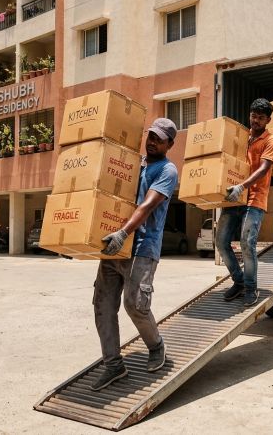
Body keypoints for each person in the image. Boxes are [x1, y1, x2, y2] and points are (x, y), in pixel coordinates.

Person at [90, 118, 180, 391]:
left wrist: (122, 234)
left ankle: (156, 346)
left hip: (141, 247)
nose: (152, 141)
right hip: (114, 247)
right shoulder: (132, 163)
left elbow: (147, 205)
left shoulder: (167, 170)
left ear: (170, 144)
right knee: (102, 305)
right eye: (150, 136)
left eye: (159, 139)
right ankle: (114, 366)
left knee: (135, 304)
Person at [217, 98, 273, 307]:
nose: (256, 121)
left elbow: (263, 169)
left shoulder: (271, 141)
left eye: (261, 118)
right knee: (221, 242)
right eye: (253, 116)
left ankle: (251, 289)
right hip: (235, 197)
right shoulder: (241, 136)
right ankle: (239, 280)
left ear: (268, 120)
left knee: (247, 243)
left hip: (254, 197)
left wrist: (241, 187)